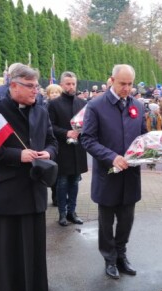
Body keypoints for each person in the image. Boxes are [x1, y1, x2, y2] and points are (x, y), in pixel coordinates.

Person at [0, 64, 58, 291]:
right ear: (14, 85)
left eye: (37, 86)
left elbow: (53, 141)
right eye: (30, 86)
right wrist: (16, 155)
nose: (36, 91)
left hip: (35, 190)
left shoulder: (42, 110)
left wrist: (48, 154)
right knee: (6, 246)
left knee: (33, 244)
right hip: (8, 190)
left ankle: (34, 289)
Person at [80, 64, 147, 279]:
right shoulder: (96, 106)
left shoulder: (138, 105)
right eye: (122, 84)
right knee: (106, 222)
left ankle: (121, 255)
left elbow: (143, 136)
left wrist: (149, 151)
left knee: (126, 220)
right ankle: (109, 259)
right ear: (111, 80)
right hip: (108, 175)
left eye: (130, 84)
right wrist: (112, 157)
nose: (127, 88)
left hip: (130, 175)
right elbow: (87, 139)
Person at [48, 71, 88, 226]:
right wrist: (66, 133)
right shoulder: (53, 104)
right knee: (62, 183)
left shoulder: (82, 103)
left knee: (75, 182)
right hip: (62, 150)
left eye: (73, 84)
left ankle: (72, 212)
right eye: (68, 84)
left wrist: (82, 132)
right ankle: (62, 213)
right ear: (62, 84)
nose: (71, 86)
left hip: (77, 150)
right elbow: (50, 127)